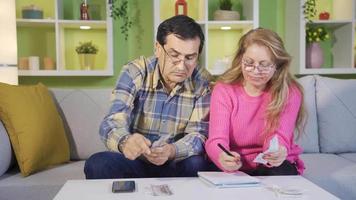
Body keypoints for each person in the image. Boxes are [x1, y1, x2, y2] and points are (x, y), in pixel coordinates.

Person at [84, 15, 212, 179]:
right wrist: (125, 141)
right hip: (136, 160)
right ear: (158, 48)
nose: (181, 66)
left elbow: (199, 135)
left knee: (197, 163)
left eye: (190, 57)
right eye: (174, 55)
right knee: (97, 164)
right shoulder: (134, 71)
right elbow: (112, 121)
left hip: (174, 161)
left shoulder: (202, 81)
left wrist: (172, 151)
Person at [205, 28, 306, 176]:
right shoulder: (224, 89)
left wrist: (278, 151)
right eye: (249, 63)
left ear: (277, 66)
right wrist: (222, 156)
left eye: (264, 65)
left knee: (276, 172)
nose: (255, 71)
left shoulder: (290, 92)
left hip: (271, 165)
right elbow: (217, 139)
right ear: (240, 60)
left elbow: (280, 136)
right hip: (233, 163)